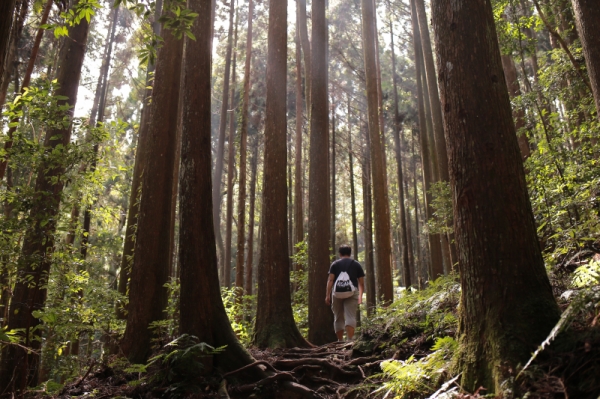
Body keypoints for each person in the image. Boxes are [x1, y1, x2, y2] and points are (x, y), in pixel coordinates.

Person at [325, 245, 365, 341]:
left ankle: (340, 341)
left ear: (340, 253)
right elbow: (361, 283)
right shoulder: (356, 264)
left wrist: (327, 295)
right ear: (350, 253)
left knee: (338, 317)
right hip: (352, 293)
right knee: (350, 316)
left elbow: (330, 280)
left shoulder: (334, 264)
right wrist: (360, 295)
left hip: (337, 294)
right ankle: (350, 340)